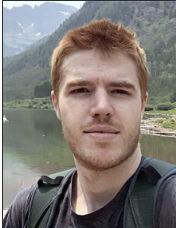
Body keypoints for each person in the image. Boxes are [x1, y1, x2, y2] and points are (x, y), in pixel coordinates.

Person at [3, 19, 176, 228]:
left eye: (120, 91)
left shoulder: (169, 201)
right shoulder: (29, 211)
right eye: (80, 90)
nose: (102, 107)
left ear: (142, 105)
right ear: (56, 105)